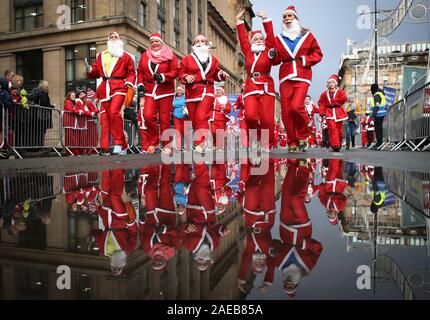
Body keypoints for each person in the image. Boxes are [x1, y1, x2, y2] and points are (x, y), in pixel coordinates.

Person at [269, 6, 323, 152]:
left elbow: (318, 54)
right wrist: (272, 54)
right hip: (285, 76)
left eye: (289, 16)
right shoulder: (278, 39)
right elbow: (275, 61)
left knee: (296, 106)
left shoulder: (308, 36)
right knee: (286, 111)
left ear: (296, 18)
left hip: (302, 75)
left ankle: (303, 136)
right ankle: (292, 141)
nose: (287, 19)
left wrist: (306, 60)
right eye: (284, 17)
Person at [85, 31, 136, 156]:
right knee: (107, 118)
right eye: (111, 37)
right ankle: (122, 145)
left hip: (119, 87)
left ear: (119, 40)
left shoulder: (126, 56)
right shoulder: (101, 55)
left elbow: (131, 73)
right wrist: (90, 69)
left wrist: (129, 83)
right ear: (108, 40)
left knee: (114, 112)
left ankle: (119, 143)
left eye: (115, 37)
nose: (113, 39)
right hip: (105, 89)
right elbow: (96, 71)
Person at [179, 35, 229, 153]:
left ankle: (200, 143)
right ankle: (200, 141)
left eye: (202, 41)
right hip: (192, 91)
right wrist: (186, 76)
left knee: (202, 116)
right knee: (194, 120)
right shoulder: (186, 59)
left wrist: (222, 75)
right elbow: (181, 74)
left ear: (207, 44)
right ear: (193, 45)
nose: (200, 43)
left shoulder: (213, 60)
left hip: (208, 90)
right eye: (197, 41)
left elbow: (216, 74)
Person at [236, 9, 277, 151]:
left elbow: (271, 38)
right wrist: (239, 22)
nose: (259, 41)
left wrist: (266, 20)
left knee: (266, 119)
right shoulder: (248, 51)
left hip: (266, 85)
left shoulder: (268, 50)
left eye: (261, 39)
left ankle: (266, 143)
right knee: (251, 116)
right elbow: (242, 38)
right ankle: (258, 138)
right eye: (256, 39)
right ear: (252, 42)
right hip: (251, 86)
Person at [137, 33, 179, 155]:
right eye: (152, 42)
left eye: (157, 41)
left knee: (164, 119)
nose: (155, 44)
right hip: (150, 90)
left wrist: (163, 77)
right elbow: (140, 71)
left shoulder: (170, 55)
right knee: (148, 116)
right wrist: (140, 83)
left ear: (162, 42)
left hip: (165, 91)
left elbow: (176, 71)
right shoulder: (145, 56)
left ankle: (167, 144)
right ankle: (154, 141)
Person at [318, 74, 348, 152]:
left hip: (338, 113)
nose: (331, 84)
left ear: (336, 83)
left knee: (338, 131)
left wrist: (334, 101)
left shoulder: (340, 92)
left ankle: (338, 142)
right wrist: (322, 112)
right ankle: (335, 145)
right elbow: (321, 103)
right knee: (332, 129)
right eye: (329, 82)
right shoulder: (324, 94)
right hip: (329, 113)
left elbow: (344, 99)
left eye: (332, 82)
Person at [210, 85, 231, 151]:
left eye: (219, 90)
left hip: (221, 117)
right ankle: (214, 144)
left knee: (220, 132)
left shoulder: (225, 99)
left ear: (222, 92)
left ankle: (219, 146)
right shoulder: (213, 98)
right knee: (213, 132)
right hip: (213, 116)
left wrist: (225, 107)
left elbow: (229, 109)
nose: (218, 91)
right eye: (217, 90)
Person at [370, 83, 387, 150]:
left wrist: (373, 115)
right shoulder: (380, 93)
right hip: (381, 114)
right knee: (379, 129)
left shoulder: (377, 95)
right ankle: (379, 143)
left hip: (378, 115)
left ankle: (379, 144)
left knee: (378, 130)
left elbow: (376, 106)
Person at [172, 85, 188, 152]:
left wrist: (185, 107)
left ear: (183, 91)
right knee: (178, 133)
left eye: (180, 90)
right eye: (178, 90)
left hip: (184, 116)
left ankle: (187, 148)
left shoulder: (185, 97)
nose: (179, 91)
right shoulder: (174, 98)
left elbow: (189, 105)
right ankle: (178, 148)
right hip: (176, 117)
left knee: (185, 133)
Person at [233, 85, 248, 150]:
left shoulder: (251, 95)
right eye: (243, 87)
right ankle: (245, 146)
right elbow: (237, 104)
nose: (244, 88)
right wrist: (235, 107)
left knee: (251, 131)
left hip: (251, 114)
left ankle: (251, 145)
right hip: (242, 116)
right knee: (243, 131)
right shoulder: (240, 96)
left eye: (245, 86)